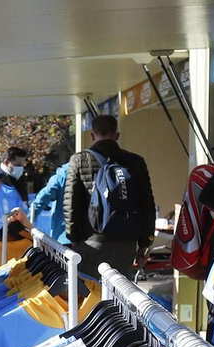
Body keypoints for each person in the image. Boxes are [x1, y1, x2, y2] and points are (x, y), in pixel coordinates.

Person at [64, 114, 155, 277]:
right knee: (119, 296)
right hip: (126, 242)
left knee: (89, 293)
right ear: (117, 135)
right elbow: (147, 204)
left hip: (90, 240)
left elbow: (71, 204)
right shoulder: (135, 161)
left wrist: (74, 238)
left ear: (92, 135)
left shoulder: (79, 160)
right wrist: (144, 243)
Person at [28, 160, 70, 243]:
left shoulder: (61, 176)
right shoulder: (97, 174)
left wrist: (27, 222)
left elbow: (43, 197)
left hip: (62, 236)